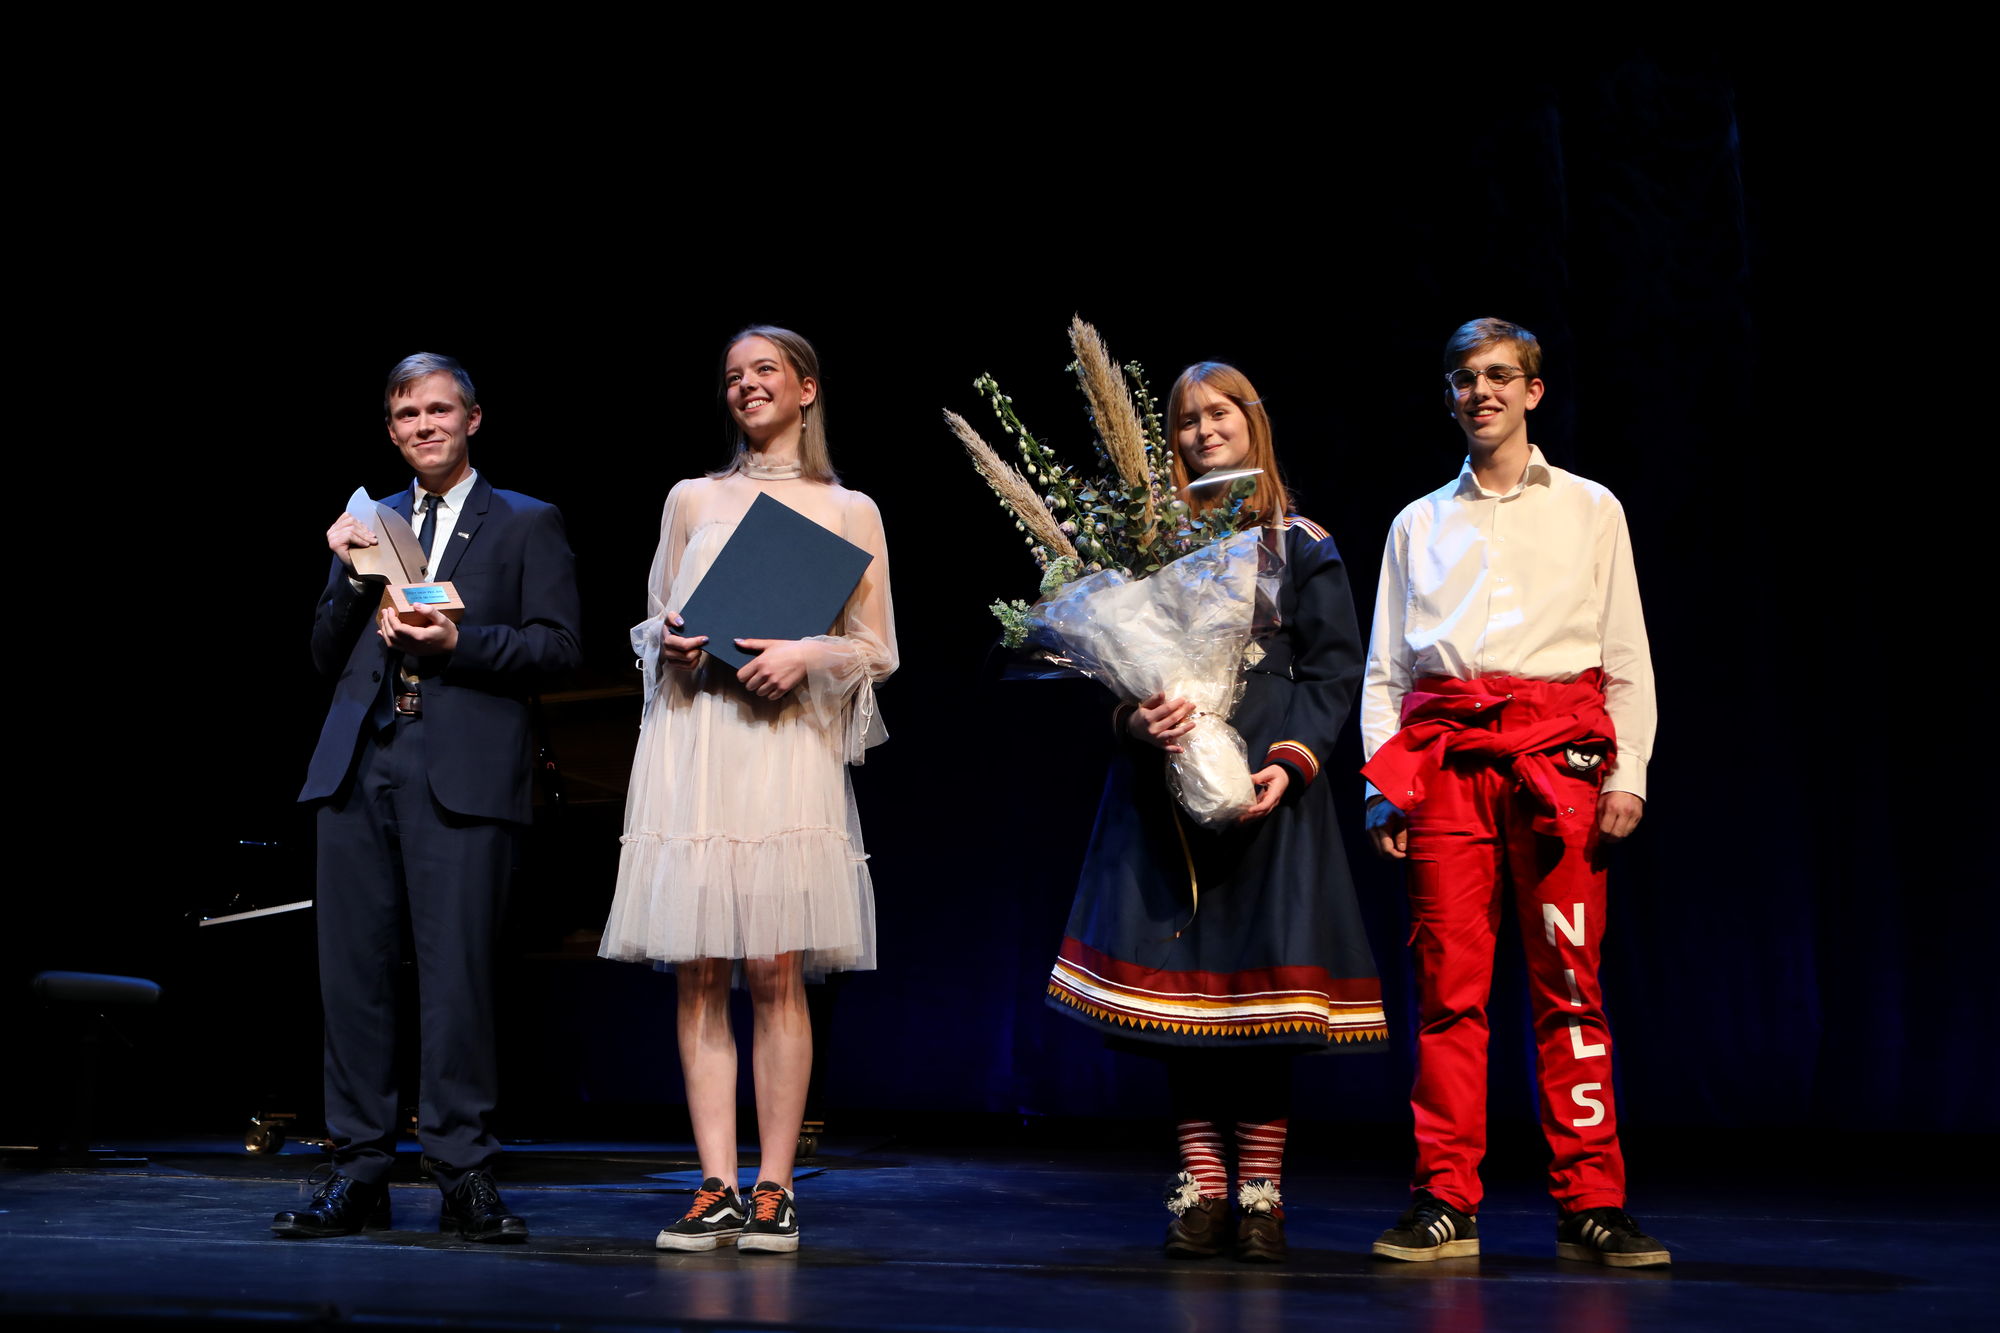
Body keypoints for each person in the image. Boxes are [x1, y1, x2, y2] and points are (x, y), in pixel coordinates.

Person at [1046, 361, 1386, 1264]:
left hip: (1268, 800)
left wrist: (1291, 761)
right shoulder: (1146, 546)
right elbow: (1107, 675)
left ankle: (1263, 1194)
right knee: (1187, 1004)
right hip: (1168, 795)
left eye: (1219, 412)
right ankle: (1201, 1186)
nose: (1203, 430)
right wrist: (1133, 715)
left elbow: (1332, 670)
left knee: (1259, 1003)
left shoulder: (1299, 543)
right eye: (1186, 420)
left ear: (1253, 421)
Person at [1360, 318, 1669, 1268]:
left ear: (1535, 391)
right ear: (1449, 396)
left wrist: (1630, 772)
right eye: (1465, 377)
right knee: (1448, 995)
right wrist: (1383, 789)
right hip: (1449, 770)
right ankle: (1445, 1197)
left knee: (1570, 988)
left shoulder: (1590, 508)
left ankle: (1591, 1202)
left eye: (1501, 375)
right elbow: (1386, 670)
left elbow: (1624, 653)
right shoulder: (1418, 521)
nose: (1482, 390)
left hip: (1560, 770)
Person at [599, 326, 896, 1255]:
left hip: (782, 748)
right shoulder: (692, 498)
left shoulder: (850, 509)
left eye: (764, 370)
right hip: (698, 741)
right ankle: (715, 1183)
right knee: (697, 972)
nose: (746, 386)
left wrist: (810, 650)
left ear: (807, 388)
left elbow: (879, 648)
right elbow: (653, 622)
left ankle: (775, 1186)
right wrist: (673, 641)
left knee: (774, 971)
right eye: (733, 375)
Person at [276, 353, 583, 1242]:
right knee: (353, 980)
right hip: (357, 761)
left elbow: (559, 648)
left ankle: (462, 1172)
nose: (424, 425)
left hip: (462, 768)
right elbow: (322, 652)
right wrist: (343, 569)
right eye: (407, 414)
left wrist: (458, 640)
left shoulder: (527, 522)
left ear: (473, 419)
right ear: (391, 429)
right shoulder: (370, 522)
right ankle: (358, 1169)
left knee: (458, 984)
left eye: (440, 410)